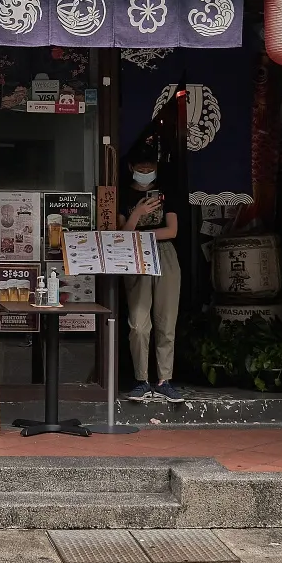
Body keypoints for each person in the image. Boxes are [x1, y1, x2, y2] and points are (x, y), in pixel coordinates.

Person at [119, 144, 183, 402]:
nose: (146, 172)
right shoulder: (123, 195)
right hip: (135, 256)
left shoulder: (167, 194)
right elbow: (122, 235)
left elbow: (172, 231)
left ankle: (164, 379)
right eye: (141, 168)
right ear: (131, 168)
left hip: (165, 254)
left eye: (150, 168)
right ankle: (141, 379)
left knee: (166, 320)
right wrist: (138, 212)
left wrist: (141, 234)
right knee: (138, 323)